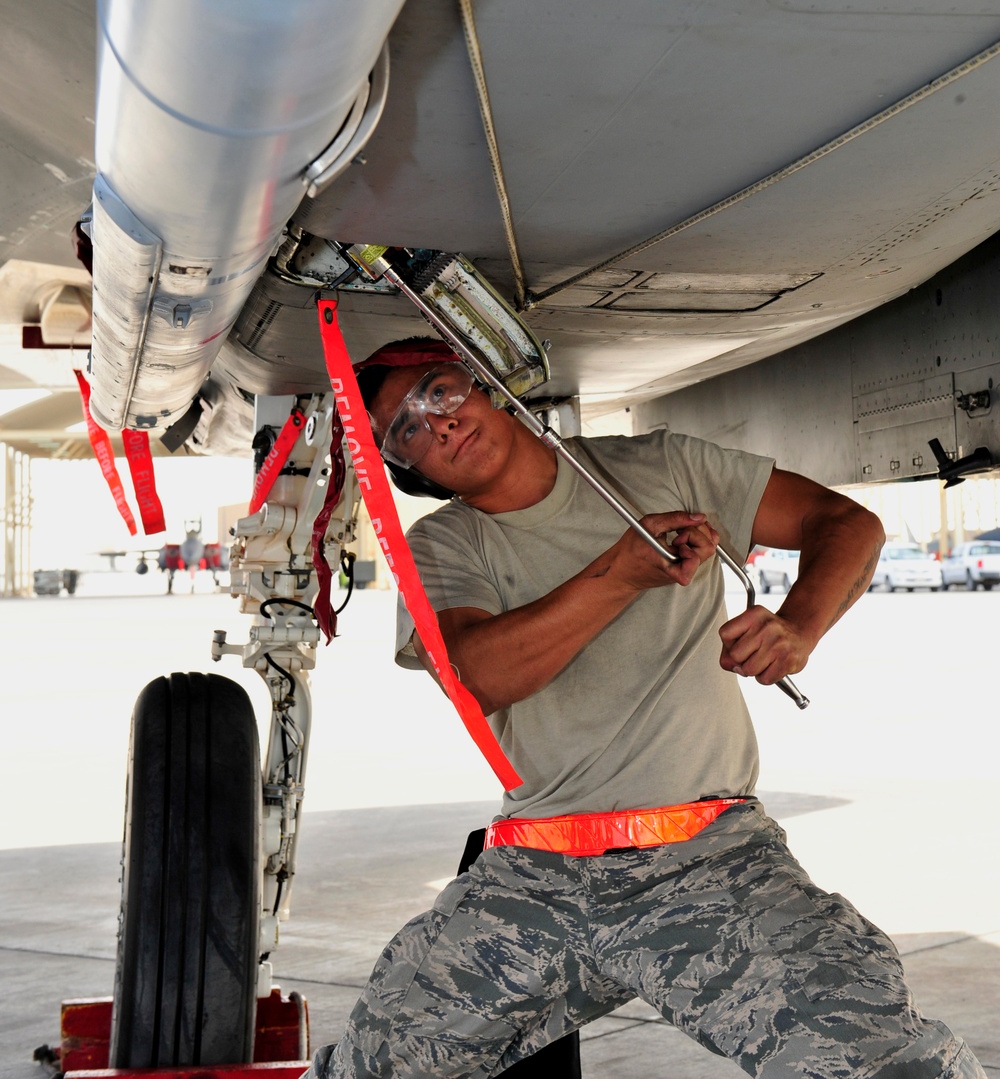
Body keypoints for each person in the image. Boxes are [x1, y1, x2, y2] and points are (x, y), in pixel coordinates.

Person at [310, 338, 984, 1079]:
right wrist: (620, 573)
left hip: (709, 861)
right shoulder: (443, 544)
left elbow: (845, 522)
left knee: (884, 1064)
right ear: (410, 471)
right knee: (374, 1067)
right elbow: (481, 676)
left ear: (485, 385)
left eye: (439, 392)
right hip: (534, 874)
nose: (435, 424)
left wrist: (799, 623)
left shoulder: (661, 466)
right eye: (404, 429)